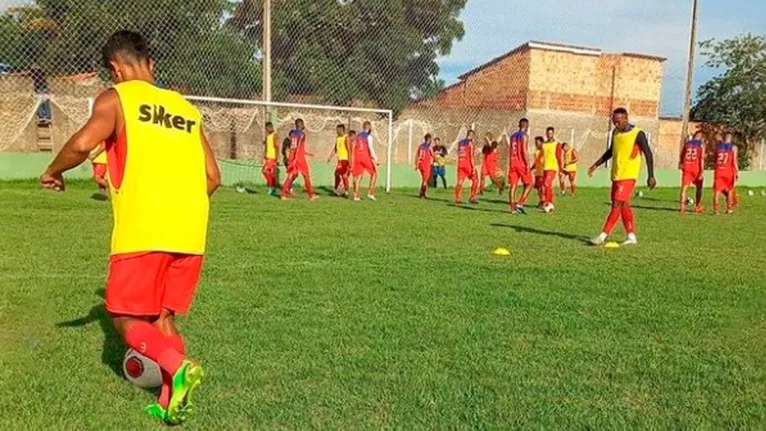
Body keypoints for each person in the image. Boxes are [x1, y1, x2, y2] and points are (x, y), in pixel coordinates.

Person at [39, 30, 220, 425]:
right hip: (190, 232)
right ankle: (172, 400)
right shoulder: (186, 110)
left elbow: (84, 143)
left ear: (115, 69)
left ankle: (179, 365)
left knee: (122, 316)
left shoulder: (117, 99)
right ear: (151, 65)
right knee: (162, 317)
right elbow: (212, 176)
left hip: (143, 230)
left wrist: (53, 170)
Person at [588, 108, 656, 246]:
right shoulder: (616, 133)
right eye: (614, 122)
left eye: (618, 122)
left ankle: (602, 235)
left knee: (617, 204)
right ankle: (631, 236)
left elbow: (648, 154)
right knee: (623, 204)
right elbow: (611, 151)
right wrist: (596, 165)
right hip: (617, 174)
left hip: (629, 174)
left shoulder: (638, 134)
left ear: (626, 119)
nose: (616, 125)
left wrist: (651, 176)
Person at [281, 118, 317, 201]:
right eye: (303, 123)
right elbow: (298, 148)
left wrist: (306, 153)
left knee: (290, 176)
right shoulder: (302, 135)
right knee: (306, 176)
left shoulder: (292, 133)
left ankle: (283, 195)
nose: (304, 125)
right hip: (299, 159)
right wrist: (296, 159)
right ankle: (311, 196)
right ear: (300, 124)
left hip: (292, 156)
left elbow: (295, 147)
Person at [508, 119, 534, 214]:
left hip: (512, 163)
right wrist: (527, 164)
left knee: (513, 186)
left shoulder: (512, 136)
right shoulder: (524, 136)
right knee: (530, 183)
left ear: (519, 125)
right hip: (521, 163)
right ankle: (520, 203)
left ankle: (512, 209)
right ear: (526, 126)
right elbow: (524, 151)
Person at [351, 121, 378, 201]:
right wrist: (375, 158)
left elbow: (353, 147)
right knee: (374, 173)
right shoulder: (369, 136)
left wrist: (352, 160)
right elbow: (370, 148)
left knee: (358, 176)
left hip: (357, 158)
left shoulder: (357, 136)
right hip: (365, 157)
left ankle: (356, 196)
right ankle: (370, 193)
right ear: (369, 128)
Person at [679, 131, 705, 213]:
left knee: (684, 189)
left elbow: (682, 155)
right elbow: (702, 159)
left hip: (687, 167)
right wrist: (702, 171)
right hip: (696, 168)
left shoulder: (687, 144)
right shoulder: (701, 144)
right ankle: (697, 206)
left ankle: (682, 208)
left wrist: (682, 164)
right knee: (699, 188)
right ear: (701, 137)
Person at [712, 132, 739, 215]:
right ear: (731, 138)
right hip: (728, 172)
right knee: (730, 190)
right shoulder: (733, 147)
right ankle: (729, 209)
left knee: (717, 191)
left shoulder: (718, 147)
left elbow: (715, 160)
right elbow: (734, 161)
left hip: (719, 171)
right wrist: (737, 172)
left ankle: (716, 210)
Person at [540, 126, 563, 210]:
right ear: (546, 134)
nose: (549, 135)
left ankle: (549, 202)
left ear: (553, 133)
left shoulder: (557, 144)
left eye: (551, 133)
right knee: (545, 185)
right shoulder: (544, 144)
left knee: (546, 183)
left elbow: (559, 157)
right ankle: (546, 201)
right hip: (545, 167)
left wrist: (560, 169)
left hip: (552, 167)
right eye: (548, 133)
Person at [454, 130, 479, 204]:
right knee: (475, 180)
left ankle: (457, 198)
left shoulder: (460, 143)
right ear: (472, 135)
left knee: (459, 182)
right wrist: (473, 167)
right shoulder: (470, 143)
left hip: (460, 165)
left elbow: (459, 153)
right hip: (468, 165)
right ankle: (472, 197)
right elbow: (471, 156)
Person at [327, 124, 351, 196]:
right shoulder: (338, 138)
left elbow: (349, 150)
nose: (336, 131)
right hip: (340, 160)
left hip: (345, 159)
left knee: (343, 175)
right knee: (337, 174)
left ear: (341, 130)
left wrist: (350, 161)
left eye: (337, 130)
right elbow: (335, 149)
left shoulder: (346, 138)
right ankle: (338, 189)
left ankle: (345, 190)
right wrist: (330, 157)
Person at [262, 122, 280, 196]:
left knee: (266, 171)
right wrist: (264, 156)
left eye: (267, 129)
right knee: (267, 172)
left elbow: (277, 147)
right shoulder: (267, 136)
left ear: (270, 127)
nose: (266, 130)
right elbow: (266, 147)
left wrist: (277, 158)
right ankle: (272, 187)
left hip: (273, 158)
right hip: (268, 157)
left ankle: (272, 188)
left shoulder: (275, 135)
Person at [415, 133, 435, 198]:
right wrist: (438, 161)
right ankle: (422, 192)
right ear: (429, 139)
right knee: (425, 180)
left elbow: (417, 155)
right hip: (425, 164)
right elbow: (433, 155)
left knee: (424, 179)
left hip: (420, 164)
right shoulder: (429, 146)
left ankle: (424, 193)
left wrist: (416, 164)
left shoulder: (420, 146)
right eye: (430, 139)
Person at [531, 137, 545, 206]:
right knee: (538, 187)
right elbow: (536, 161)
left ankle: (543, 200)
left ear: (542, 143)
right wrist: (532, 168)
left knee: (542, 186)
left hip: (542, 171)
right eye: (535, 143)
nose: (536, 144)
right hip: (537, 171)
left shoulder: (544, 151)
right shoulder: (536, 151)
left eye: (538, 143)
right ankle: (541, 200)